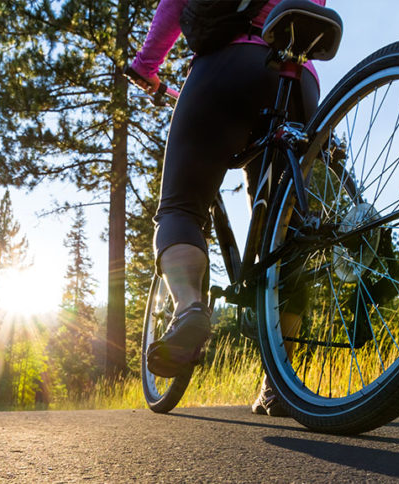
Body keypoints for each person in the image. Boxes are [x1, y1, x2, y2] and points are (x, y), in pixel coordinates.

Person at [127, 0, 325, 416]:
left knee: (180, 208)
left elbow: (174, 5)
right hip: (300, 82)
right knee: (285, 233)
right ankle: (279, 383)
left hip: (230, 63)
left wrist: (147, 67)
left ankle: (189, 310)